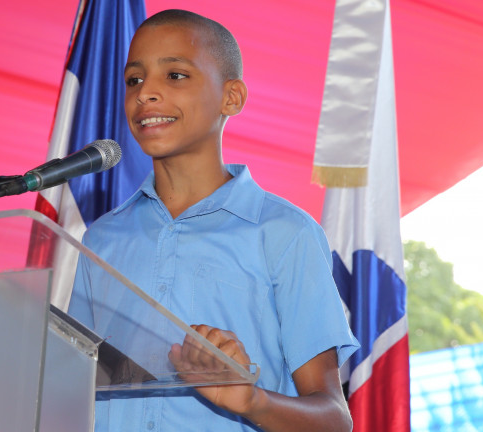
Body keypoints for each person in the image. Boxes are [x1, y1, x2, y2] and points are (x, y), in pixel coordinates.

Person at [67, 9, 359, 432]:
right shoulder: (102, 238)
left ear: (231, 98)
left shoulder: (285, 233)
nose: (146, 93)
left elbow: (334, 419)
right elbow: (70, 384)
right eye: (134, 80)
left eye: (175, 75)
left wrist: (252, 401)